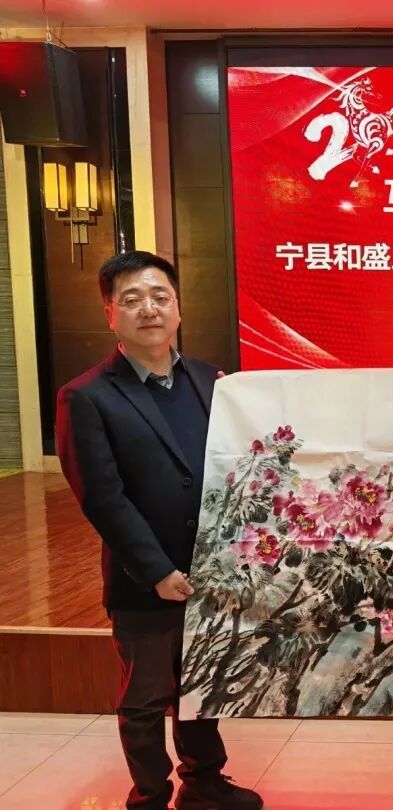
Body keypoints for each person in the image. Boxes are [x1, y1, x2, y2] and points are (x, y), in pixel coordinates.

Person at [55, 251, 263, 810]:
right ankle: (149, 795)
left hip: (213, 569)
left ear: (177, 309)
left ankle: (204, 783)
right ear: (110, 315)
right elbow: (102, 497)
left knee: (202, 682)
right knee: (146, 697)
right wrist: (156, 570)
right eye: (131, 299)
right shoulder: (87, 396)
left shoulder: (211, 380)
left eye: (160, 297)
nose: (148, 309)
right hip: (145, 577)